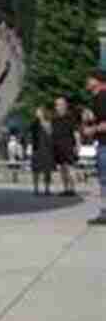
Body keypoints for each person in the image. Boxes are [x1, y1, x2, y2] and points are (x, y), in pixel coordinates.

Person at [82, 68, 106, 226]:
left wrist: (91, 129)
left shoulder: (102, 97)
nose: (86, 82)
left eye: (89, 79)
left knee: (105, 180)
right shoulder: (99, 97)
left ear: (97, 81)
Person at [50, 96, 79, 196]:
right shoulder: (54, 118)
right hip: (57, 146)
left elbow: (76, 132)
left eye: (60, 104)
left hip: (68, 145)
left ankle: (72, 189)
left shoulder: (70, 117)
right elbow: (52, 132)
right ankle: (66, 189)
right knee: (62, 168)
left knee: (70, 167)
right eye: (57, 105)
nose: (58, 106)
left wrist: (77, 145)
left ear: (65, 105)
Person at [29, 106, 55, 195]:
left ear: (43, 113)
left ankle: (47, 189)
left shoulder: (48, 123)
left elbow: (50, 133)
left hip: (47, 149)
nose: (36, 113)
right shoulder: (34, 123)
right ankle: (36, 189)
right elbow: (30, 135)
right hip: (36, 148)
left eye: (38, 112)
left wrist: (43, 123)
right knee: (35, 170)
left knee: (47, 170)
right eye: (36, 112)